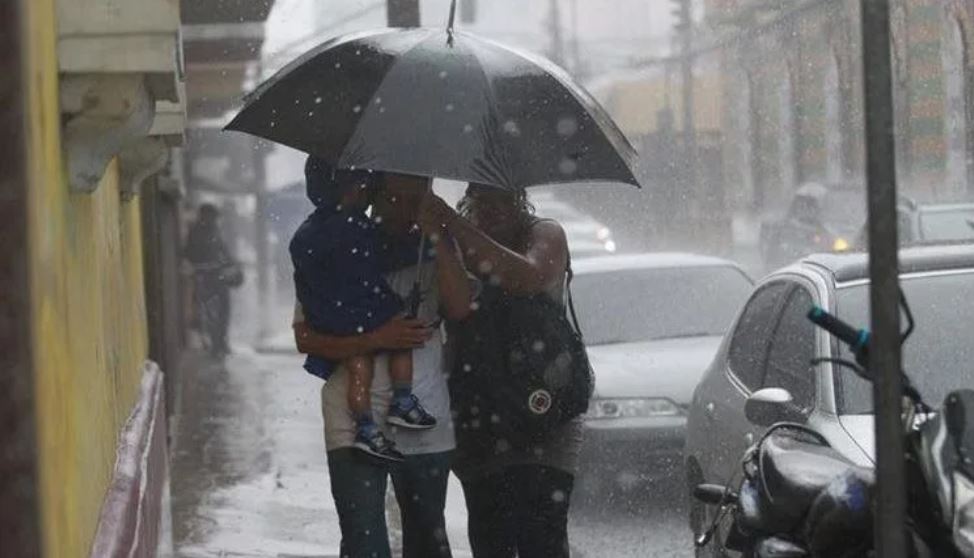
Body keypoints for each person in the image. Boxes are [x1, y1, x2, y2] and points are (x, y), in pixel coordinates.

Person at [293, 173, 473, 558]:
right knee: (364, 543)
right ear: (375, 195)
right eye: (396, 199)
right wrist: (374, 339)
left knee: (428, 541)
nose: (406, 210)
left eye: (416, 199)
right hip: (353, 419)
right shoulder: (334, 245)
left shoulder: (436, 246)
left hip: (423, 417)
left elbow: (459, 307)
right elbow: (305, 338)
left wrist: (439, 237)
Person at [419, 184, 582, 558]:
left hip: (546, 411)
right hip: (479, 413)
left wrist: (454, 225)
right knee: (491, 535)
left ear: (519, 197)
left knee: (543, 533)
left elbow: (524, 276)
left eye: (502, 199)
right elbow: (454, 306)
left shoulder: (545, 233)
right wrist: (441, 234)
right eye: (482, 199)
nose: (492, 209)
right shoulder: (453, 242)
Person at [290, 157, 437, 462]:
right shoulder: (359, 230)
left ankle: (366, 428)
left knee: (359, 369)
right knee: (402, 333)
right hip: (366, 309)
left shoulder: (307, 233)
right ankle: (403, 399)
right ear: (355, 190)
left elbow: (303, 274)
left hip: (332, 315)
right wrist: (429, 242)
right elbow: (388, 253)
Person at [183, 203, 235, 356]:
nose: (214, 220)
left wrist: (231, 265)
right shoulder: (196, 233)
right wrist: (208, 267)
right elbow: (190, 256)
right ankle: (215, 345)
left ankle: (221, 343)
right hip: (206, 280)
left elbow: (224, 252)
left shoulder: (215, 231)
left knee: (223, 312)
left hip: (220, 279)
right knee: (211, 314)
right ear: (204, 216)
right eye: (212, 217)